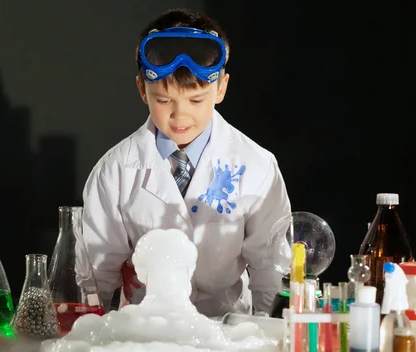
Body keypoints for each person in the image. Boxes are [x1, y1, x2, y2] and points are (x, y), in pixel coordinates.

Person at [82, 9, 291, 317]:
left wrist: (264, 340)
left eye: (196, 101)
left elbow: (271, 273)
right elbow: (95, 278)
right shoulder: (114, 172)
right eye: (164, 100)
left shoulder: (258, 167)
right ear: (142, 89)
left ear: (220, 88)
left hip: (230, 335)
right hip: (145, 334)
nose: (180, 116)